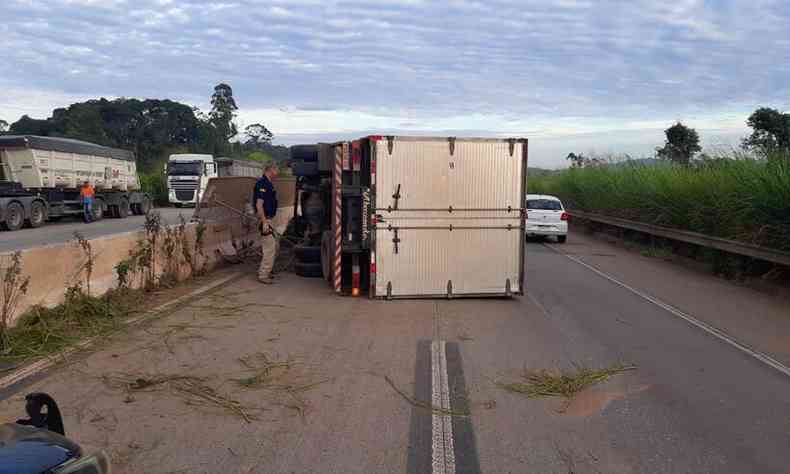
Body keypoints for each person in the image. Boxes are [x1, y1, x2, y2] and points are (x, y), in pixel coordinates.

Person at [253, 164, 279, 284]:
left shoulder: (268, 183)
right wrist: (264, 222)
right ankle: (263, 275)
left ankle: (268, 271)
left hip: (269, 219)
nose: (277, 172)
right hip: (265, 219)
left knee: (274, 245)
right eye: (276, 169)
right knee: (269, 247)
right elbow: (259, 205)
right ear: (270, 170)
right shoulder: (262, 184)